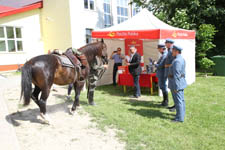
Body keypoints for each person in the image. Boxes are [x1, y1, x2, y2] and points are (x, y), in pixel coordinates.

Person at [168, 45, 187, 123]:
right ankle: (181, 114)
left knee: (178, 101)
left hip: (176, 84)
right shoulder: (181, 59)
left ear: (176, 51)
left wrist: (176, 87)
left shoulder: (177, 61)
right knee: (181, 100)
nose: (171, 52)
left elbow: (177, 75)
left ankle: (179, 118)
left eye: (173, 50)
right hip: (179, 83)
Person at [164, 39, 175, 107]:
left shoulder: (171, 51)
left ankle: (175, 105)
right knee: (172, 90)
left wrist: (167, 65)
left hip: (172, 73)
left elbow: (175, 62)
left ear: (169, 43)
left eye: (166, 43)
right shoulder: (169, 50)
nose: (165, 44)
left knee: (174, 90)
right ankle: (175, 105)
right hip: (169, 72)